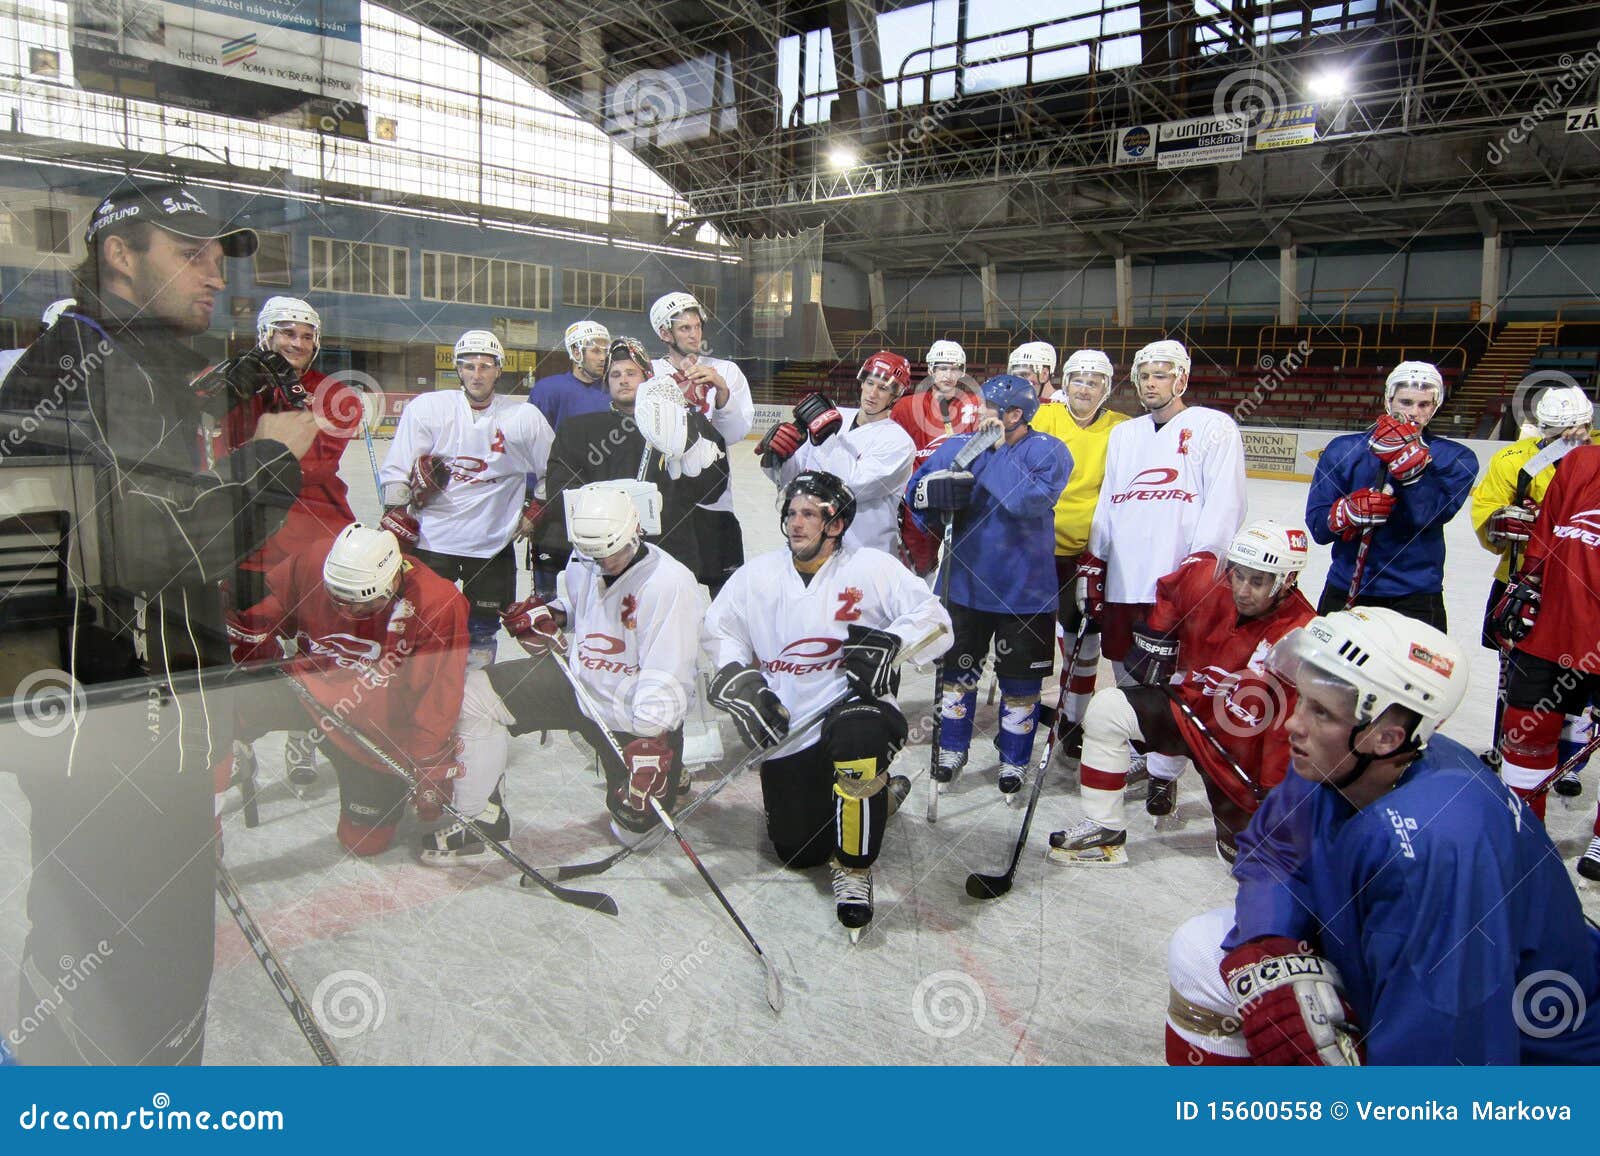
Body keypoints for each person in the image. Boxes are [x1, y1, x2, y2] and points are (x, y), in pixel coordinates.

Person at [0, 180, 315, 1065]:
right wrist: (269, 461)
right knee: (138, 961)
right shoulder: (85, 369)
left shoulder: (118, 359)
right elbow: (146, 544)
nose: (215, 275)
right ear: (118, 255)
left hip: (126, 724)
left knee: (106, 939)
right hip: (112, 739)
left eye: (219, 256)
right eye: (189, 254)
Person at [1165, 608, 1600, 1066]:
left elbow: (1449, 1048)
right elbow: (1273, 852)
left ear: (1387, 737)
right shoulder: (1344, 759)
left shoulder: (1439, 845)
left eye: (1321, 711)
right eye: (1302, 699)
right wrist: (1270, 944)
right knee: (1200, 950)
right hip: (1403, 970)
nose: (1293, 723)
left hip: (1536, 1061)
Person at [703, 470, 951, 937]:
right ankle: (880, 799)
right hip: (789, 728)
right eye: (792, 513)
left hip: (855, 709)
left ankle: (855, 869)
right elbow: (721, 629)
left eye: (809, 514)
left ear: (836, 524)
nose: (796, 523)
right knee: (798, 851)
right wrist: (742, 679)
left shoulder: (872, 568)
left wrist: (894, 643)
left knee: (859, 746)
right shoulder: (758, 575)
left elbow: (935, 619)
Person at [1046, 520, 1315, 867]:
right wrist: (1159, 634)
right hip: (1188, 709)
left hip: (1236, 755)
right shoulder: (1208, 580)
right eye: (1238, 575)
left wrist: (1273, 791)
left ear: (1286, 581)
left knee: (1245, 865)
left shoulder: (1301, 638)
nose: (1243, 590)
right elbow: (1173, 588)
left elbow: (1286, 732)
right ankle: (1105, 829)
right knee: (1108, 709)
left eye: (1258, 581)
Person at [470, 482, 702, 848]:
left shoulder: (669, 584)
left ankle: (673, 769)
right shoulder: (586, 557)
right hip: (578, 686)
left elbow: (669, 672)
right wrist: (552, 616)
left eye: (611, 554)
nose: (603, 564)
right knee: (473, 695)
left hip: (630, 713)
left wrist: (652, 744)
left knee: (636, 837)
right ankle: (480, 807)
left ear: (635, 532)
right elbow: (578, 605)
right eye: (593, 556)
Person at [227, 524, 474, 860]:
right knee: (220, 712)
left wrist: (429, 765)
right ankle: (222, 774)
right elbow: (277, 606)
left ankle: (388, 796)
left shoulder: (438, 605)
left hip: (373, 736)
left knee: (363, 843)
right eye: (337, 601)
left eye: (362, 605)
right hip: (306, 692)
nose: (348, 613)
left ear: (392, 581)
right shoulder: (314, 559)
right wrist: (254, 630)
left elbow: (438, 698)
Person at [1078, 339, 1246, 813]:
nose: (1150, 384)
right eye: (1144, 376)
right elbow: (1111, 498)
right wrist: (1096, 557)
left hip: (1179, 583)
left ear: (1182, 379)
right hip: (1125, 578)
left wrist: (1202, 567)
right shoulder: (1125, 434)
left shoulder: (1214, 427)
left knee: (1175, 678)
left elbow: (1226, 503)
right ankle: (1141, 748)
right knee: (1127, 669)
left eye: (1161, 375)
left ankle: (1164, 771)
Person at [906, 374, 1072, 800]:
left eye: (988, 408)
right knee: (957, 676)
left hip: (1026, 593)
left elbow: (1026, 501)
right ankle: (952, 748)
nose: (978, 413)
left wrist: (992, 452)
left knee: (1021, 685)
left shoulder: (1050, 450)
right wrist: (932, 498)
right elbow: (915, 494)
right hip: (963, 586)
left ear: (1015, 415)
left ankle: (1014, 758)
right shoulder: (957, 447)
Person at [225, 296, 360, 797]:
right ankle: (239, 735)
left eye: (306, 335)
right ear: (265, 335)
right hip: (249, 535)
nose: (297, 343)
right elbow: (220, 454)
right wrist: (235, 398)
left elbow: (316, 464)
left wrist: (267, 431)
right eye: (287, 333)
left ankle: (303, 735)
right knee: (248, 647)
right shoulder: (237, 384)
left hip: (314, 536)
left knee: (315, 645)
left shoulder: (336, 394)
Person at [378, 329, 555, 668]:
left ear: (498, 369)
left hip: (492, 544)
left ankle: (475, 693)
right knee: (425, 625)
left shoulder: (524, 417)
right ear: (458, 369)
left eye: (485, 366)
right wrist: (396, 513)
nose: (477, 374)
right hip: (433, 540)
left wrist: (535, 509)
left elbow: (554, 469)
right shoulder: (429, 409)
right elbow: (398, 468)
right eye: (469, 366)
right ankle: (429, 689)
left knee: (482, 631)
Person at [1470, 384, 1598, 782]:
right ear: (1541, 428)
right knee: (1516, 677)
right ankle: (1507, 747)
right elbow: (1487, 511)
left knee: (1582, 681)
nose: (1569, 439)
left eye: (1577, 430)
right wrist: (1500, 523)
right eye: (1558, 434)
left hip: (1582, 591)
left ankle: (1570, 762)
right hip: (1523, 583)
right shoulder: (1513, 460)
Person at [1491, 445, 1600, 877]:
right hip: (1554, 623)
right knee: (1527, 729)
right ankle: (1523, 830)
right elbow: (1548, 527)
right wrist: (1529, 581)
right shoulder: (1582, 461)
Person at [1304, 360, 1478, 630]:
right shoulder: (1343, 450)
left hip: (1415, 595)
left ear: (1435, 406)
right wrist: (1345, 513)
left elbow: (1426, 517)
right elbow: (1318, 528)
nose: (1414, 413)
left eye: (1424, 404)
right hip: (1347, 586)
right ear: (1389, 401)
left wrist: (1412, 470)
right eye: (1406, 402)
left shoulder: (1456, 457)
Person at [546, 337, 729, 579]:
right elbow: (559, 494)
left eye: (631, 373)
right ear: (606, 383)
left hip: (670, 558)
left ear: (647, 378)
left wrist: (691, 443)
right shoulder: (578, 431)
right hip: (605, 558)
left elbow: (712, 491)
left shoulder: (684, 424)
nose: (623, 380)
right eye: (615, 374)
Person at [1028, 348, 1129, 761]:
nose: (1084, 389)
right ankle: (1022, 714)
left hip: (1085, 556)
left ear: (1107, 389)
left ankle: (1073, 720)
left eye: (1094, 382)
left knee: (1082, 644)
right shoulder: (1043, 417)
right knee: (1030, 644)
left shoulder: (1120, 429)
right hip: (1034, 551)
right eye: (1078, 380)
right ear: (1064, 383)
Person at [758, 351, 917, 555]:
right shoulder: (833, 415)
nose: (873, 393)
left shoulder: (899, 442)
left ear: (895, 396)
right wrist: (779, 458)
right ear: (862, 383)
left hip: (865, 552)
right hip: (812, 543)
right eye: (870, 383)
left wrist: (826, 437)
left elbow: (853, 487)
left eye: (883, 388)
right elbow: (796, 480)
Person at [649, 292, 753, 595]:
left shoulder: (727, 371)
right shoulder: (649, 374)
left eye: (697, 327)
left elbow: (735, 433)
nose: (695, 334)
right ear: (665, 333)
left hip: (714, 501)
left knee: (726, 596)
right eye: (685, 328)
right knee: (667, 594)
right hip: (664, 503)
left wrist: (721, 390)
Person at [526, 320, 612, 598]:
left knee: (599, 594)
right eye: (595, 350)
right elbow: (530, 447)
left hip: (601, 508)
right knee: (548, 596)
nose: (603, 357)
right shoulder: (548, 390)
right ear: (576, 352)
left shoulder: (613, 389)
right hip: (554, 507)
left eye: (606, 351)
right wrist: (532, 500)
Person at [890, 340, 982, 577]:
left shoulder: (974, 405)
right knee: (917, 570)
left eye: (954, 368)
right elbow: (893, 455)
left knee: (962, 571)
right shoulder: (906, 407)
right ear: (931, 369)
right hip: (921, 503)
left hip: (963, 501)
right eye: (942, 368)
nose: (948, 375)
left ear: (962, 372)